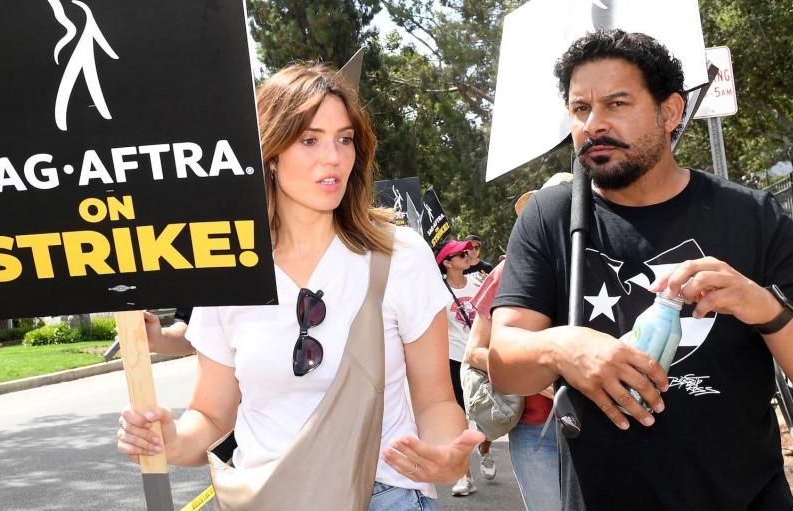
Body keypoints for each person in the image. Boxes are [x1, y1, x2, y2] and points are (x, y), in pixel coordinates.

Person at [488, 29, 793, 510]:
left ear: (670, 112)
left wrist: (766, 308)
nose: (594, 124)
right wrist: (562, 346)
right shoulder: (550, 217)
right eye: (581, 109)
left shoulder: (753, 216)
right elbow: (504, 363)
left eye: (616, 104)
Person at [117, 62, 483, 509]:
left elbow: (434, 401)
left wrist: (447, 456)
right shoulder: (228, 268)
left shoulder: (400, 256)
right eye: (310, 140)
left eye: (344, 139)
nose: (334, 156)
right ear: (269, 154)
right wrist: (170, 440)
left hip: (383, 495)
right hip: (267, 496)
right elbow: (211, 415)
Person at [464, 189, 560, 511]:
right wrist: (537, 374)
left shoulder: (596, 267)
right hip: (536, 432)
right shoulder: (507, 274)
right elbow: (474, 352)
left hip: (599, 428)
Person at [435, 238, 494, 496]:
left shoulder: (478, 282)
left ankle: (486, 449)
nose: (467, 254)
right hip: (454, 361)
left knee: (490, 414)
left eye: (467, 251)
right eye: (460, 254)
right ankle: (465, 476)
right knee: (459, 418)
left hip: (481, 357)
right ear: (447, 263)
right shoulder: (437, 289)